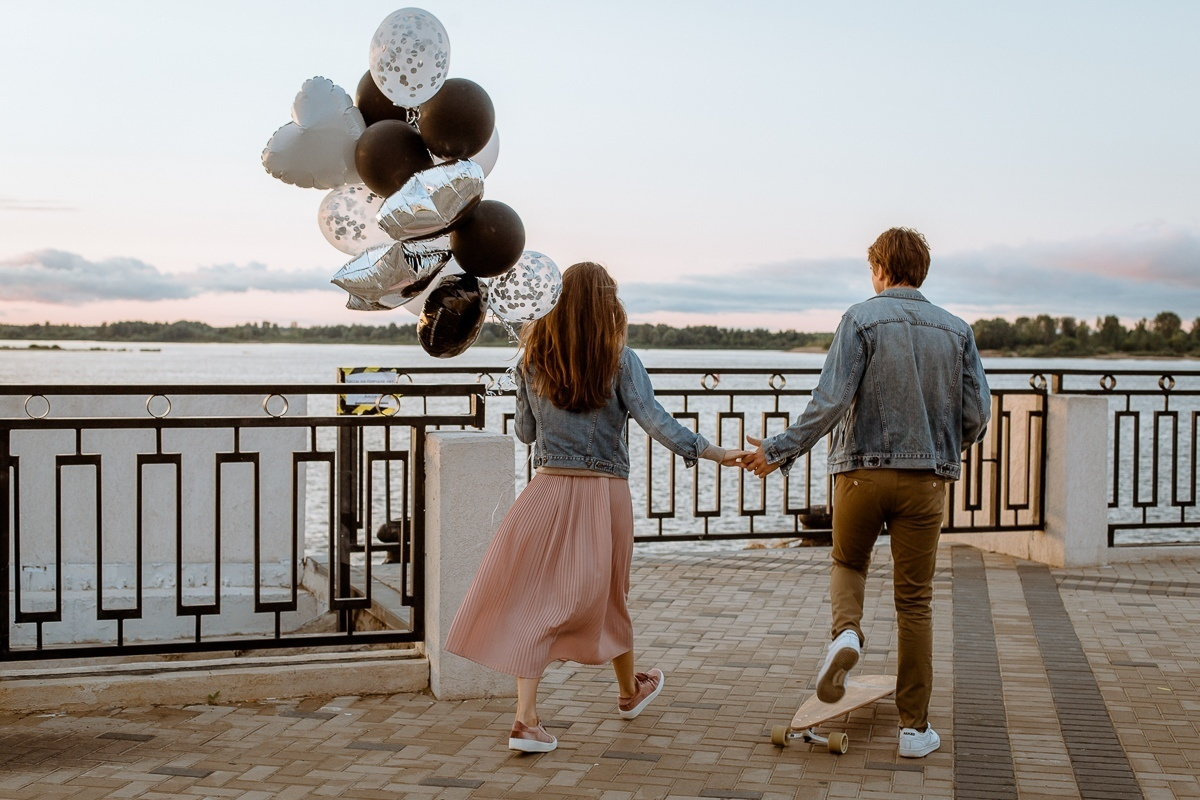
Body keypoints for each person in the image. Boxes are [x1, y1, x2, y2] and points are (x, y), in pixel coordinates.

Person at [445, 262, 750, 754]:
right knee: (611, 594)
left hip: (546, 492)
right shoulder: (621, 360)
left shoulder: (531, 359)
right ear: (608, 304)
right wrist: (714, 452)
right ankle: (628, 693)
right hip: (603, 495)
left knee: (533, 600)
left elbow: (525, 433)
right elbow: (656, 422)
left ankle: (527, 720)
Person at [742, 228, 991, 759]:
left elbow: (829, 401)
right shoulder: (957, 330)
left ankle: (847, 634)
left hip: (859, 475)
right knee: (915, 602)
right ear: (920, 271)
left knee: (849, 563)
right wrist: (941, 447)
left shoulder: (859, 319)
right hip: (926, 481)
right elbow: (977, 414)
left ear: (879, 268)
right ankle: (913, 730)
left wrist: (779, 450)